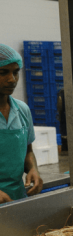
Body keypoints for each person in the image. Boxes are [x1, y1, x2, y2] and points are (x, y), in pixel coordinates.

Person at [0, 44, 43, 203]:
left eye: (16, 72)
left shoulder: (22, 110)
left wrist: (33, 169)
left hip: (16, 198)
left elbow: (27, 151)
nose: (12, 79)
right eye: (3, 72)